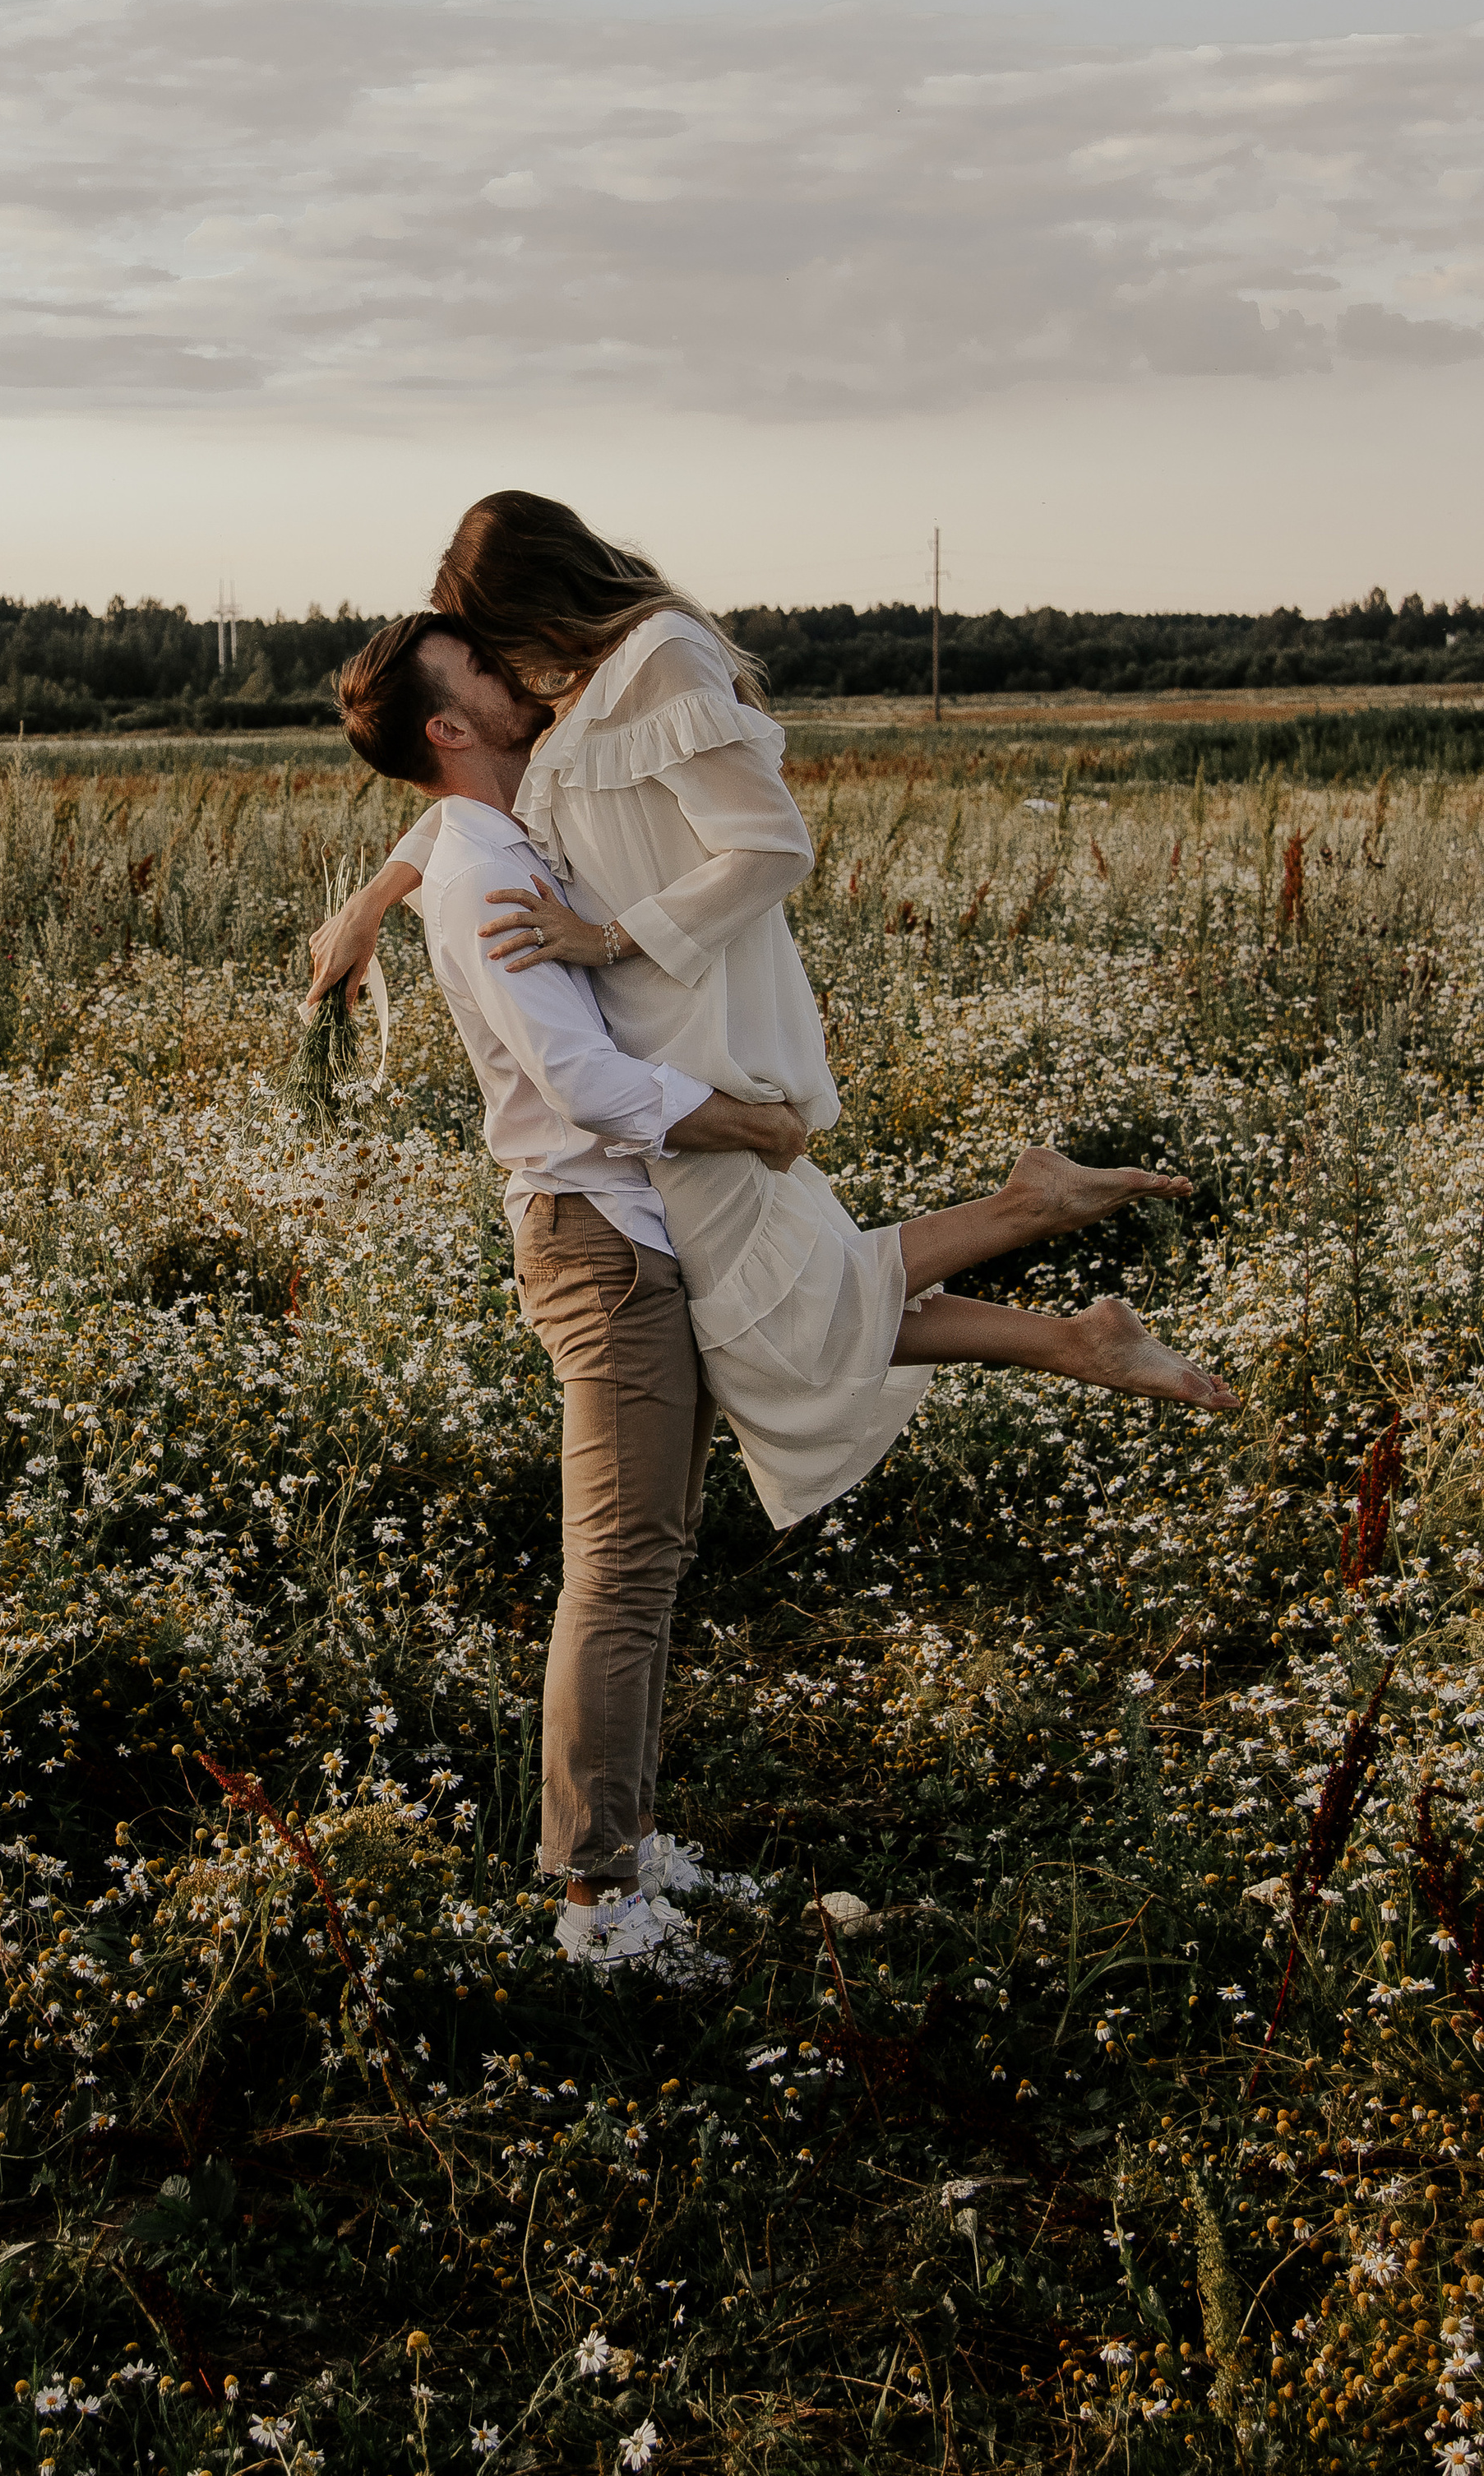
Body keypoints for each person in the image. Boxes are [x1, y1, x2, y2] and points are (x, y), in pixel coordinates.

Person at [315, 493, 1234, 1545]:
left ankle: (1050, 1274)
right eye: (483, 661)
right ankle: (1055, 1279)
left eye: (491, 643)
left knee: (769, 1323)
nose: (501, 667)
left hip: (687, 1022)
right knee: (785, 1298)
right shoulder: (582, 693)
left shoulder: (660, 655)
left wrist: (610, 938)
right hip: (648, 1029)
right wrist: (373, 898)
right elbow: (467, 802)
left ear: (535, 594)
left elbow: (772, 846)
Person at [331, 609, 811, 1976]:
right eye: (486, 669)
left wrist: (369, 895)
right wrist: (750, 1123)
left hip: (621, 1227)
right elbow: (583, 1085)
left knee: (647, 1556)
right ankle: (599, 1905)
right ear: (451, 726)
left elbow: (432, 832)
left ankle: (626, 1841)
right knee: (620, 1565)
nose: (519, 673)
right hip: (594, 1239)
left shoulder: (495, 826)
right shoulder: (487, 868)